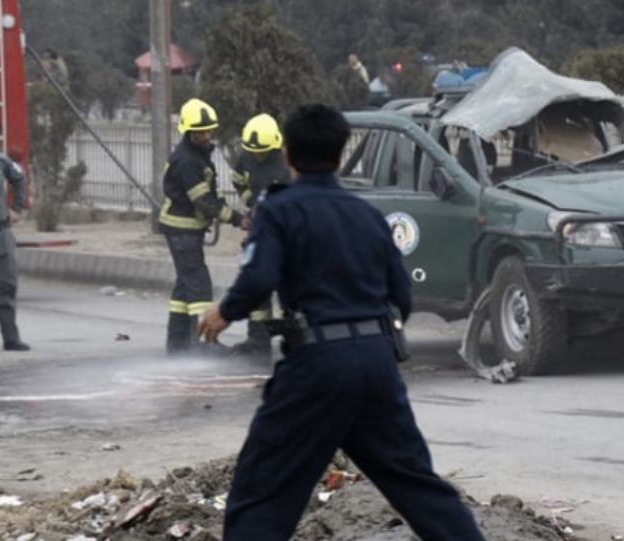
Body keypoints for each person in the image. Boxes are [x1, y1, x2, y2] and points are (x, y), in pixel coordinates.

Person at [198, 104, 488, 541]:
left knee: (262, 489)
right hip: (377, 366)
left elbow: (259, 276)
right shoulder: (367, 215)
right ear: (338, 157)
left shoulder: (279, 209)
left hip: (317, 366)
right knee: (416, 484)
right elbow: (401, 297)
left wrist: (225, 311)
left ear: (289, 155)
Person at [159, 98, 248, 356]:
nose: (207, 135)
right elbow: (204, 201)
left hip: (184, 228)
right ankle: (204, 345)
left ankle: (177, 345)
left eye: (210, 129)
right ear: (189, 131)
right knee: (198, 284)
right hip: (182, 228)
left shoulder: (195, 155)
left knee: (184, 286)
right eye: (201, 131)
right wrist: (237, 219)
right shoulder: (187, 161)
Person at [229, 113, 290, 359]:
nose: (258, 156)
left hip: (282, 231)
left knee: (288, 288)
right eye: (255, 152)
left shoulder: (284, 163)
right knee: (257, 283)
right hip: (259, 227)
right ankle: (257, 338)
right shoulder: (247, 156)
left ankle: (294, 337)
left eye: (263, 152)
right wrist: (250, 202)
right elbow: (238, 181)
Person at [0, 150, 29, 351]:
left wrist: (17, 208)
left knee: (6, 287)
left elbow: (19, 178)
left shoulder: (0, 162)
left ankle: (11, 338)